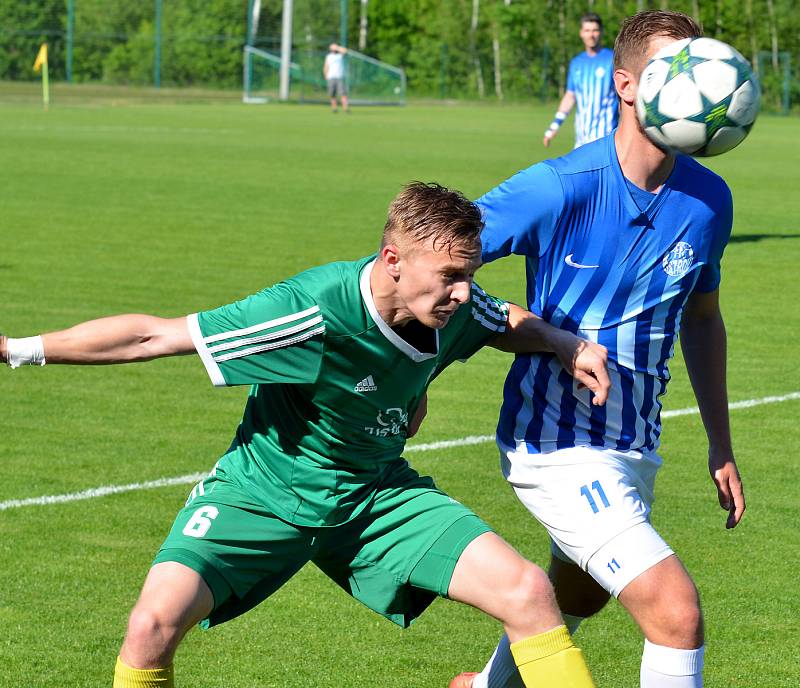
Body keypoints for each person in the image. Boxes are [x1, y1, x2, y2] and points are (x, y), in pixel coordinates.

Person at [1, 182, 611, 688]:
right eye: (450, 275)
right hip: (263, 492)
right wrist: (15, 349)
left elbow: (502, 318)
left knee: (529, 590)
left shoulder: (452, 307)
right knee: (150, 628)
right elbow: (153, 336)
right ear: (393, 261)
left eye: (468, 274)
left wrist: (563, 343)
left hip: (375, 497)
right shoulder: (312, 311)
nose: (462, 290)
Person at [451, 11, 746, 688]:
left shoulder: (709, 201)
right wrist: (537, 335)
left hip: (633, 443)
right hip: (552, 446)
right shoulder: (560, 186)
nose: (693, 84)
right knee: (675, 612)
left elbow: (703, 317)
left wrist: (720, 443)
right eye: (673, 71)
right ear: (626, 85)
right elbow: (433, 261)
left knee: (577, 594)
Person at [543, 12, 618, 149]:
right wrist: (554, 126)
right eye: (587, 30)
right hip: (581, 140)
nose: (591, 35)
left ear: (601, 32)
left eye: (595, 30)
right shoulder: (576, 63)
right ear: (581, 33)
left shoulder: (613, 59)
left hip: (606, 138)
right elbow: (570, 95)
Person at [324, 42, 349, 113]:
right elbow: (326, 66)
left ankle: (345, 108)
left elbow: (345, 51)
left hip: (339, 77)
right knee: (332, 94)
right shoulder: (328, 56)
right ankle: (334, 108)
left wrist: (337, 47)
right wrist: (325, 75)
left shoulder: (340, 55)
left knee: (343, 93)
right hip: (331, 77)